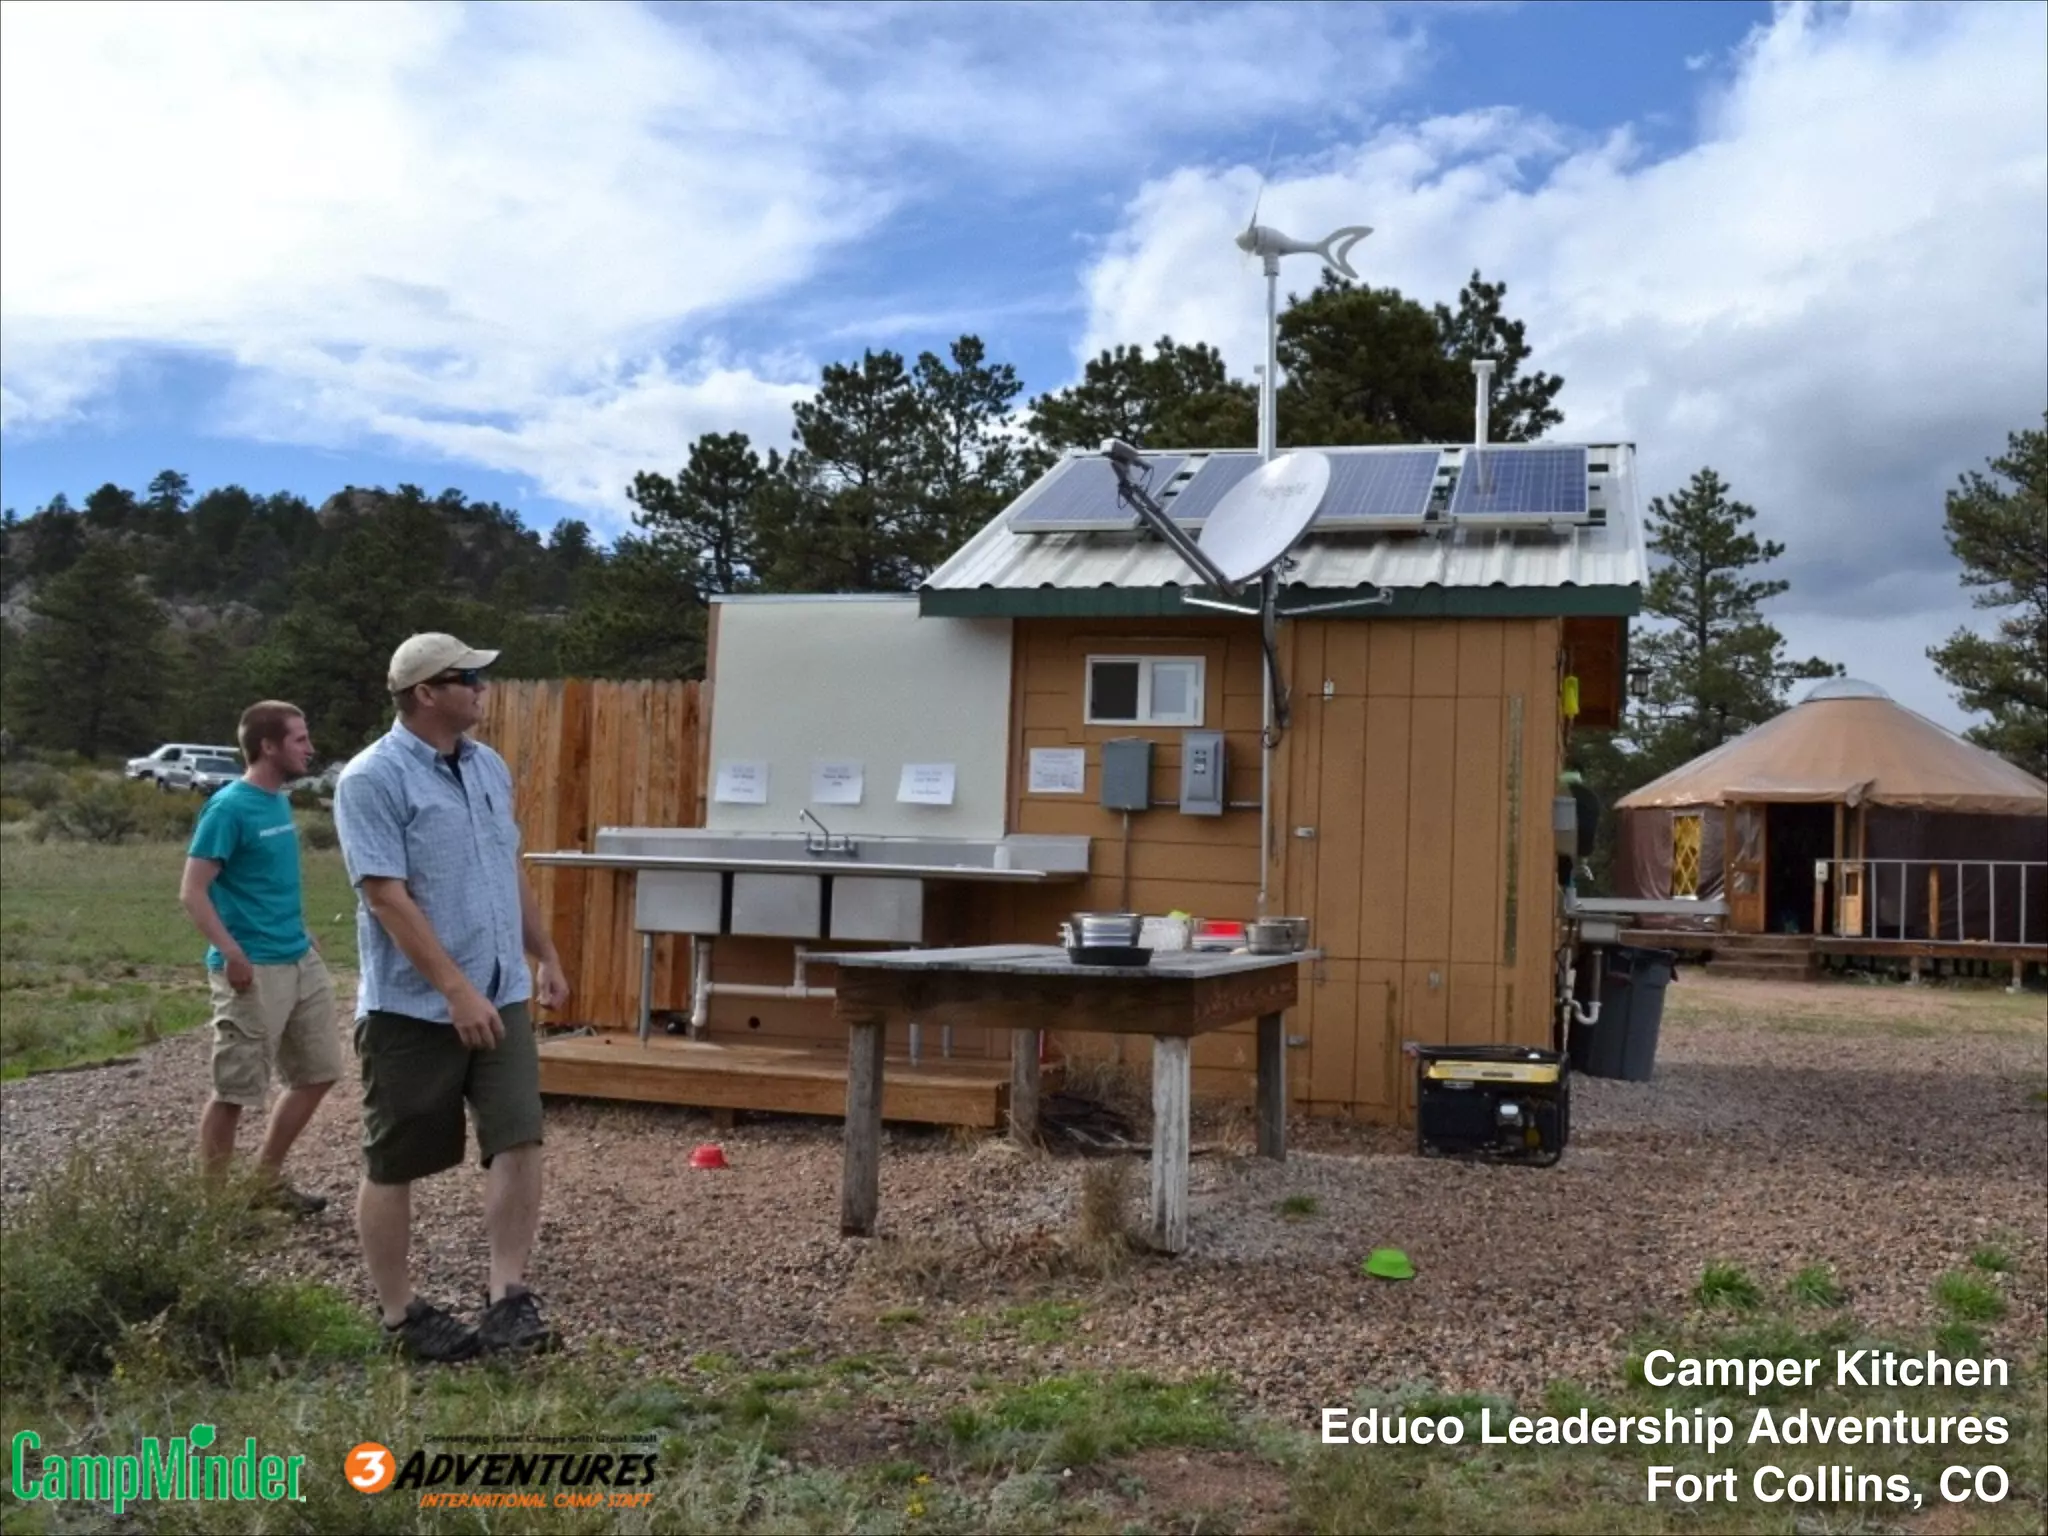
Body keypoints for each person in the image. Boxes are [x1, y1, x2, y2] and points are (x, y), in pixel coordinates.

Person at [333, 633, 571, 1364]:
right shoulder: (371, 780)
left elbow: (507, 865)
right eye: (467, 677)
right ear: (426, 693)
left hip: (500, 994)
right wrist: (454, 989)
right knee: (394, 1161)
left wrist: (546, 953)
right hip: (413, 1010)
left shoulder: (488, 767)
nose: (482, 688)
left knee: (519, 1136)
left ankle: (508, 1298)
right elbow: (386, 897)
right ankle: (402, 1318)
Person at [179, 700, 340, 1214]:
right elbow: (193, 891)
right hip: (252, 968)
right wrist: (232, 953)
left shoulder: (279, 802)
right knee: (235, 1090)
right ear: (268, 746)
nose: (309, 748)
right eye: (299, 739)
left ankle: (264, 1182)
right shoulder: (229, 807)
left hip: (297, 957)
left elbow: (264, 881)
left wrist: (301, 929)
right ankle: (215, 1209)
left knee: (319, 1072)